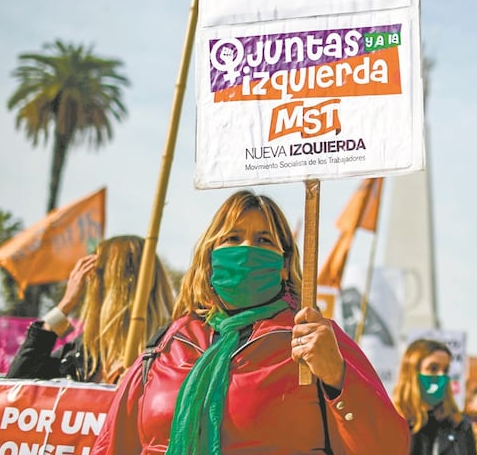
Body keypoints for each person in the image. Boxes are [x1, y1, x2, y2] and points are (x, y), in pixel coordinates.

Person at [92, 190, 410, 454]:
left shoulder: (314, 338)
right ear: (210, 256)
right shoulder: (168, 344)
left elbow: (389, 448)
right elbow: (110, 445)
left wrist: (337, 378)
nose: (247, 249)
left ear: (284, 264)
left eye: (263, 240)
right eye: (233, 238)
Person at [7, 235, 174, 383]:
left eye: (97, 273)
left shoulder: (171, 350)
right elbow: (17, 384)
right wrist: (64, 305)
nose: (89, 283)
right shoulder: (84, 351)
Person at [393, 338, 476, 455]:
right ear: (412, 373)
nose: (441, 375)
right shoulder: (392, 423)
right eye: (433, 368)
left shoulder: (459, 425)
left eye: (445, 370)